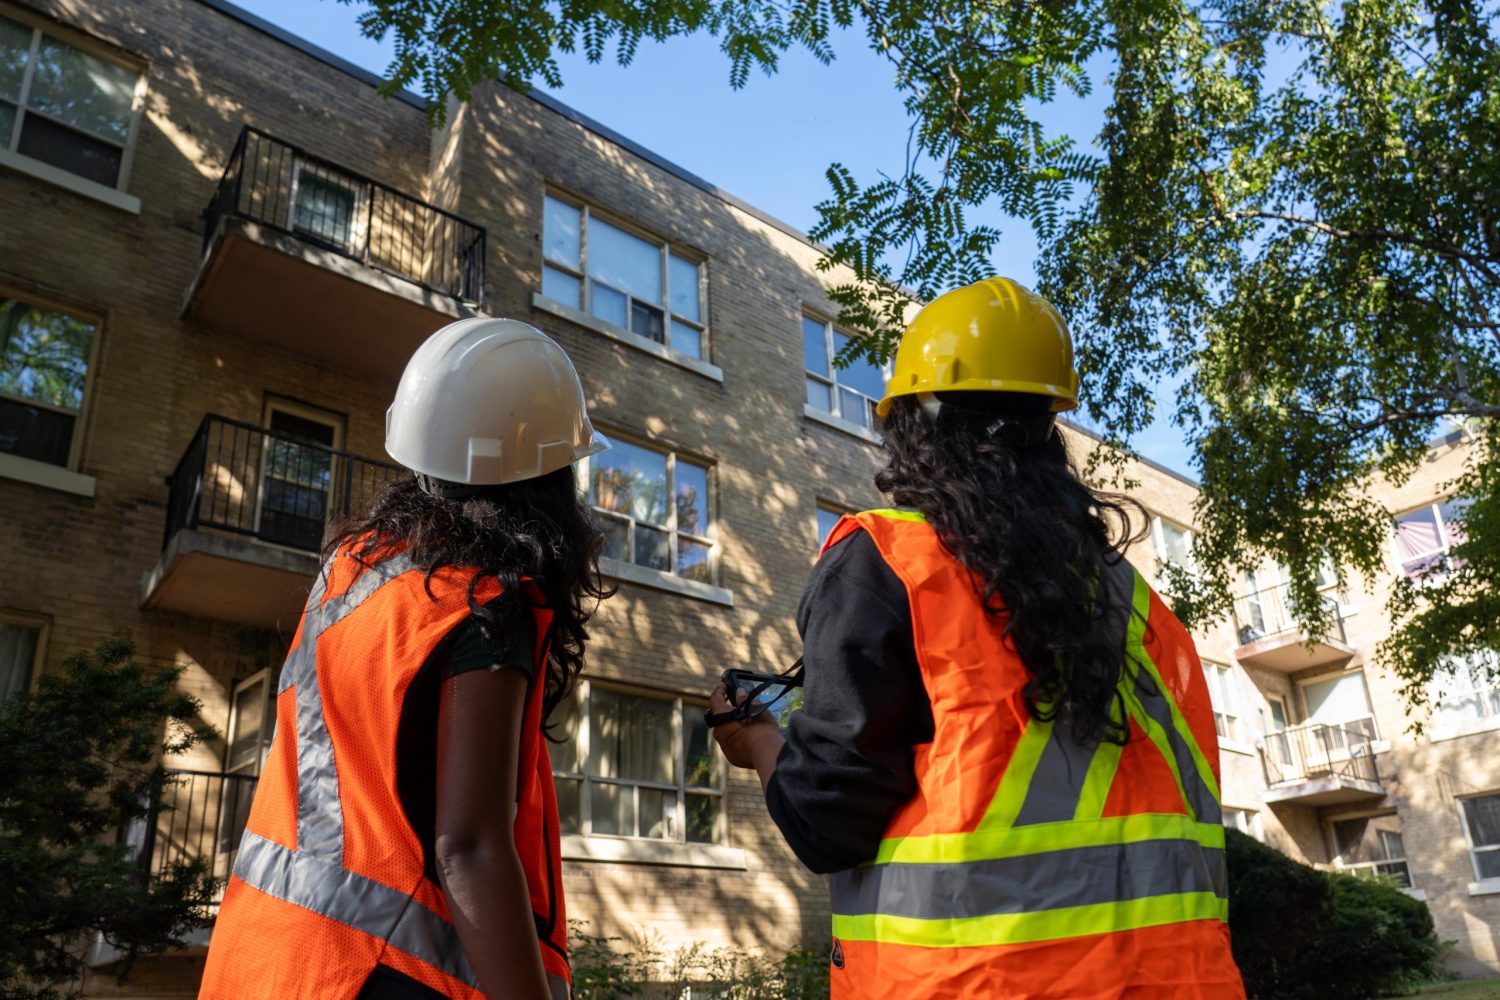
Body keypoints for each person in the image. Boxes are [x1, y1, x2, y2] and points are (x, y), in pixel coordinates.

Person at [711, 278, 1245, 998]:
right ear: (1047, 432)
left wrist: (759, 743)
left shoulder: (889, 563)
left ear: (913, 424)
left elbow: (826, 824)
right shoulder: (1139, 608)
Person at [201, 318, 610, 1000]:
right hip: (376, 975)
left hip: (266, 959)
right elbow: (470, 849)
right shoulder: (481, 603)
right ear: (549, 478)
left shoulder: (351, 573)